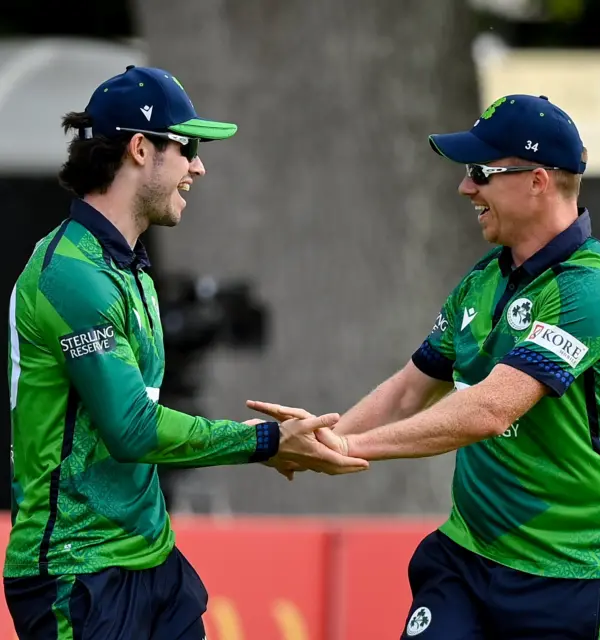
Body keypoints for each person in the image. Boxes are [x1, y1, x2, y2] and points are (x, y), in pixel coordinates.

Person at [247, 95, 600, 639]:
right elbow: (411, 389)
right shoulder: (483, 279)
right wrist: (313, 438)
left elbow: (490, 409)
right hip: (465, 557)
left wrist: (351, 450)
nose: (465, 188)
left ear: (538, 181)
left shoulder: (593, 286)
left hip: (568, 573)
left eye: (480, 172)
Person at [4, 65, 368, 640]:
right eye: (188, 146)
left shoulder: (132, 268)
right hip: (77, 574)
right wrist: (265, 441)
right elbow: (131, 430)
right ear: (141, 149)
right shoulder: (71, 274)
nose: (198, 166)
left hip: (152, 561)